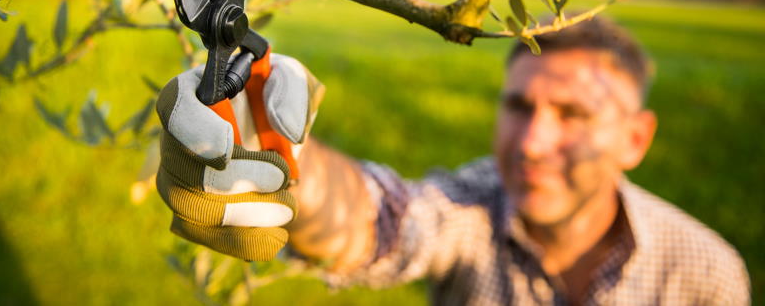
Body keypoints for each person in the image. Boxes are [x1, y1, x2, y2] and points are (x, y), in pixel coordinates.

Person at [155, 17, 750, 305]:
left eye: (573, 115)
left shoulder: (705, 275)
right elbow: (385, 222)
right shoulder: (476, 208)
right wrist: (291, 165)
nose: (533, 141)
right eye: (519, 105)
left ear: (635, 140)